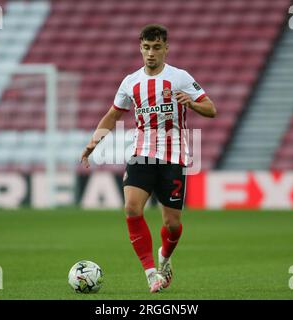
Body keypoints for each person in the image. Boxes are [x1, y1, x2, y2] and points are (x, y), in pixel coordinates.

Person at [80, 24, 216, 293]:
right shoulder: (131, 82)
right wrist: (92, 144)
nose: (150, 53)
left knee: (172, 225)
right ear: (140, 48)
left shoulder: (179, 77)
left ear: (166, 48)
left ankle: (165, 258)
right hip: (141, 153)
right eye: (146, 47)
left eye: (156, 47)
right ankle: (151, 273)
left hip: (173, 157)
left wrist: (191, 102)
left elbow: (210, 109)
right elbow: (113, 115)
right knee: (131, 207)